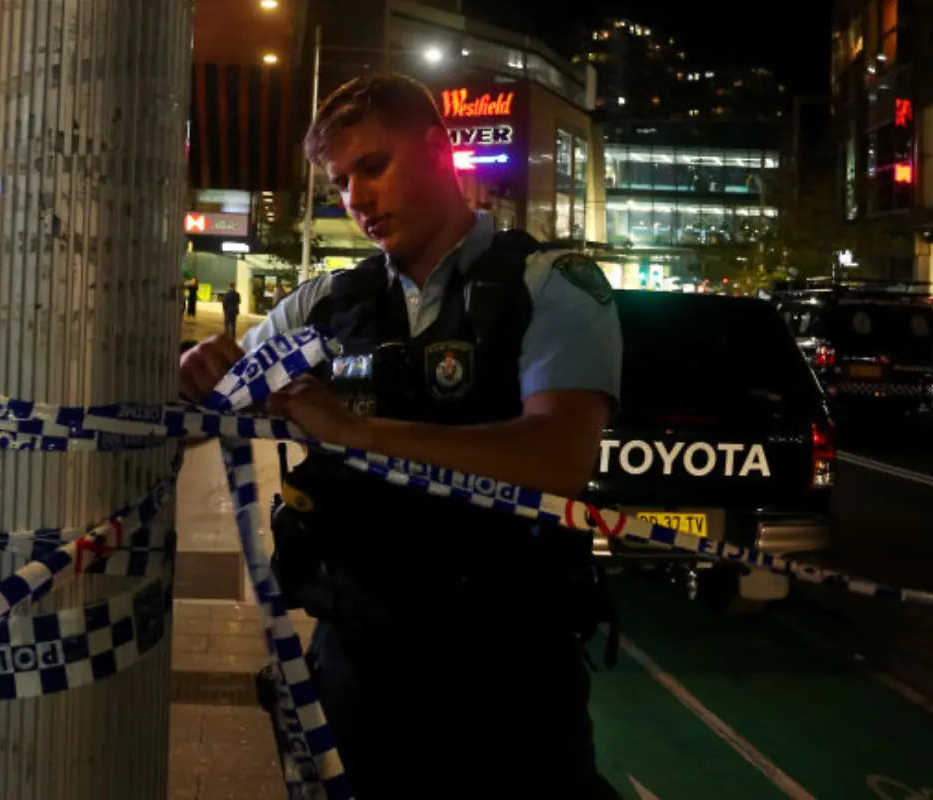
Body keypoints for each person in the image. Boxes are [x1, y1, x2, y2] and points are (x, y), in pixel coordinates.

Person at [179, 73, 622, 798]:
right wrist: (194, 367)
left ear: (438, 150)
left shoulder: (549, 285)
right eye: (340, 179)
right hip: (358, 665)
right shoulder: (330, 303)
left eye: (373, 166)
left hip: (508, 678)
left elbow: (558, 457)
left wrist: (356, 431)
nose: (355, 198)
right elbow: (219, 393)